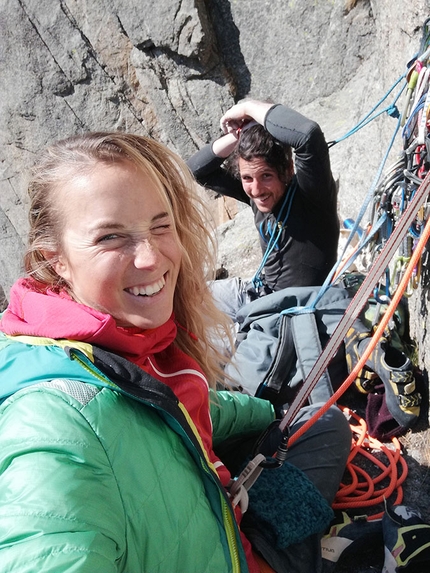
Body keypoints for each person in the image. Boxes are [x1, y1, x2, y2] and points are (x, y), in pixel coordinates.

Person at [0, 132, 350, 572]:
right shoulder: (52, 427)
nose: (150, 256)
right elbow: (45, 542)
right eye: (110, 236)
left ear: (287, 175)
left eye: (160, 225)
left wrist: (266, 412)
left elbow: (177, 406)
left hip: (222, 524)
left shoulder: (307, 202)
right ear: (56, 262)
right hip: (238, 554)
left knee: (322, 423)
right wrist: (236, 135)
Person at [187, 99, 340, 319]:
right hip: (258, 293)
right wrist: (239, 133)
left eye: (266, 176)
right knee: (182, 298)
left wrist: (247, 108)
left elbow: (308, 135)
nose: (256, 189)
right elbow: (196, 171)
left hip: (290, 312)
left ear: (288, 169)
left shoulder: (311, 195)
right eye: (247, 178)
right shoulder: (257, 195)